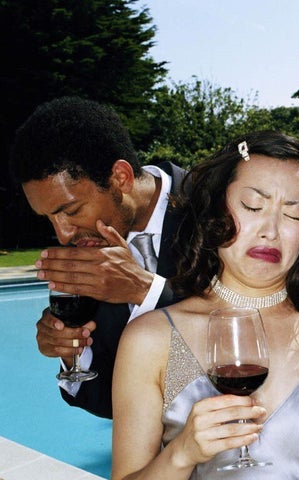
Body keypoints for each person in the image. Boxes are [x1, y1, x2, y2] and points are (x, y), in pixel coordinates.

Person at [111, 131, 299, 479]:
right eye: (252, 206)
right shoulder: (149, 339)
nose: (271, 230)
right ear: (216, 209)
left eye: (293, 215)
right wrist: (181, 454)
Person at [8, 96, 187, 419]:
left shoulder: (221, 206)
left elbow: (261, 335)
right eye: (48, 219)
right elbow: (110, 404)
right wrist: (74, 353)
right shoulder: (93, 256)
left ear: (121, 177)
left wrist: (147, 292)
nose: (63, 235)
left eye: (71, 211)